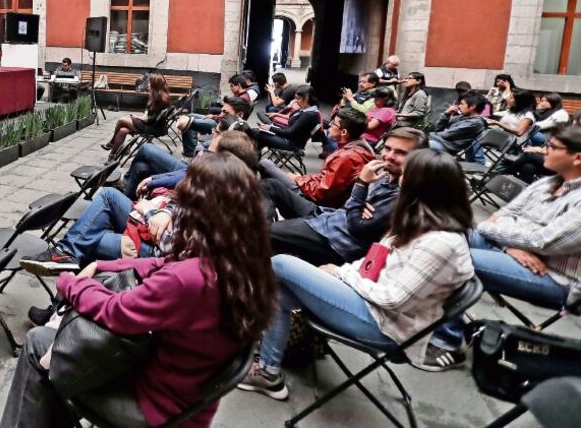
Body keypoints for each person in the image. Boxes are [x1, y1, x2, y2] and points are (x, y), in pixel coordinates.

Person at [1, 153, 277, 428]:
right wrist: (103, 264)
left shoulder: (189, 280)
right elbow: (162, 262)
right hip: (190, 393)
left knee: (39, 342)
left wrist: (71, 283)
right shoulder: (241, 260)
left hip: (155, 403)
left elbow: (116, 312)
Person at [239, 149, 474, 399]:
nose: (397, 180)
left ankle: (246, 326)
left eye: (404, 175)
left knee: (282, 264)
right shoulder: (417, 221)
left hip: (387, 327)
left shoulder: (440, 242)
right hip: (371, 303)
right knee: (280, 290)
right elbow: (371, 262)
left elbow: (394, 299)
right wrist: (339, 272)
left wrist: (342, 276)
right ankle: (268, 371)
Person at [429, 124, 581, 370]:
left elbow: (544, 242)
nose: (543, 151)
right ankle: (415, 305)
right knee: (445, 226)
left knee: (455, 256)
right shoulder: (546, 183)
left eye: (551, 147)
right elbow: (500, 215)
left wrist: (499, 233)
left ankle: (446, 342)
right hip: (514, 253)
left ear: (577, 157)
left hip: (556, 278)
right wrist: (508, 248)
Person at [22, 131, 259, 276]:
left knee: (89, 238)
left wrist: (151, 211)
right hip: (153, 228)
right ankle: (65, 255)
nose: (202, 151)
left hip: (156, 253)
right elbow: (178, 200)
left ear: (225, 160)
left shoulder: (220, 202)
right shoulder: (223, 186)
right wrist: (165, 208)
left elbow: (170, 246)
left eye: (209, 150)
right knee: (108, 195)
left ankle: (59, 305)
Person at [268, 128, 426, 267]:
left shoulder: (403, 195)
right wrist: (357, 204)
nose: (389, 156)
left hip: (336, 241)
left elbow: (356, 226)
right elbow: (350, 207)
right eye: (387, 148)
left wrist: (361, 185)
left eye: (401, 153)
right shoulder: (383, 175)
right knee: (270, 186)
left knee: (265, 232)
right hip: (328, 216)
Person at [259, 107, 374, 219]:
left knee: (265, 166)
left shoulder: (348, 157)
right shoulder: (351, 148)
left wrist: (298, 179)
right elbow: (324, 180)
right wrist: (303, 178)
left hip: (315, 204)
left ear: (344, 132)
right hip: (313, 192)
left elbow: (322, 192)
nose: (330, 125)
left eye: (334, 123)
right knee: (269, 179)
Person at [123, 112, 246, 198]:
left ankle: (126, 184)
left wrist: (154, 182)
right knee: (141, 167)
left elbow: (188, 177)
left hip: (187, 174)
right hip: (189, 171)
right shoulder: (220, 151)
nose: (221, 114)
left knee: (146, 148)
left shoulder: (219, 166)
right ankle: (128, 205)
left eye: (216, 131)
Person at [101, 74, 171, 156]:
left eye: (150, 83)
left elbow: (151, 119)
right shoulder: (157, 95)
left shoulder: (160, 99)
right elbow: (150, 115)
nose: (148, 84)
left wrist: (138, 118)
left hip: (153, 128)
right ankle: (113, 156)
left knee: (121, 120)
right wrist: (141, 117)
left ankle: (111, 143)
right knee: (122, 131)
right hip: (152, 124)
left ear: (155, 85)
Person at [247, 86, 321, 154]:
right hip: (290, 140)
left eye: (298, 98)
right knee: (260, 135)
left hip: (291, 143)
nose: (296, 101)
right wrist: (272, 127)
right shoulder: (308, 111)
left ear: (306, 98)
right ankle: (254, 158)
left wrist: (270, 128)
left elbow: (290, 132)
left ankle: (252, 158)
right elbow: (291, 127)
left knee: (255, 132)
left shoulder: (308, 114)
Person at [177, 91, 252, 157]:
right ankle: (189, 152)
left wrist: (200, 153)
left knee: (188, 121)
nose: (221, 115)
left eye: (225, 112)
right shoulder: (233, 132)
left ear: (240, 115)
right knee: (190, 117)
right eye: (222, 111)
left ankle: (189, 153)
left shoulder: (235, 142)